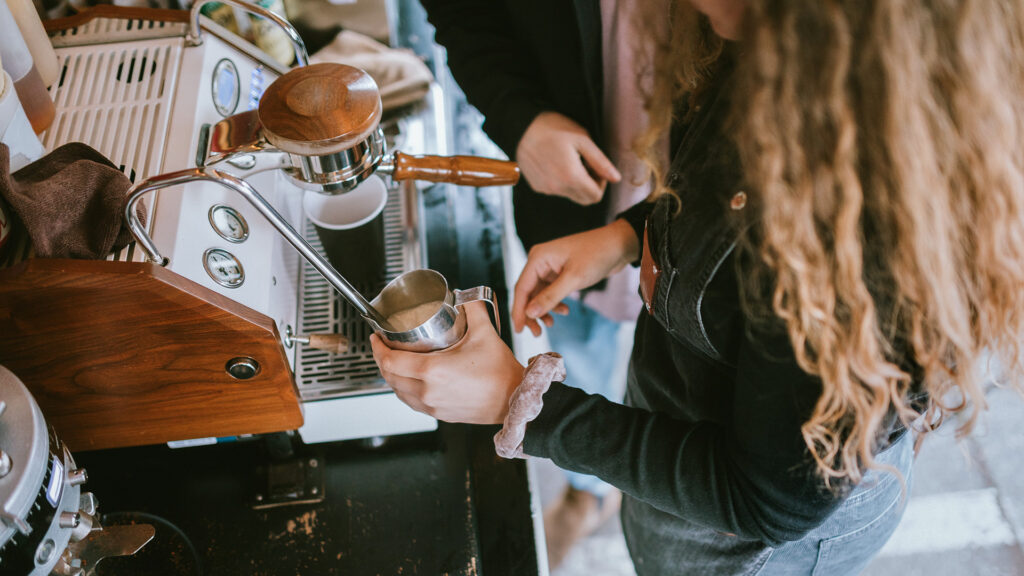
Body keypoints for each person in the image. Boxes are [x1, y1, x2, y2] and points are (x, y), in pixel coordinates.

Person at [372, 0, 1024, 574]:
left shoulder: (859, 232)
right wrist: (629, 236)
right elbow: (720, 196)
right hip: (688, 464)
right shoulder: (765, 52)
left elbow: (767, 497)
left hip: (747, 543)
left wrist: (516, 399)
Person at [417, 0, 663, 566]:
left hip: (697, 201)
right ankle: (589, 492)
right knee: (581, 346)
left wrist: (520, 405)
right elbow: (463, 13)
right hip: (574, 199)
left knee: (676, 383)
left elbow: (754, 490)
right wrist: (520, 118)